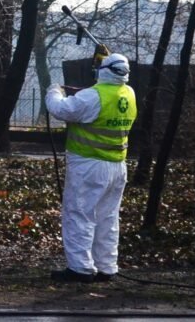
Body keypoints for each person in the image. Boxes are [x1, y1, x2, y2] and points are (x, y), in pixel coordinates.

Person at [45, 52, 137, 283]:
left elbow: (61, 109)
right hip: (117, 166)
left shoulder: (93, 96)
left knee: (79, 213)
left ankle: (80, 268)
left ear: (102, 71)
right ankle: (107, 266)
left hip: (89, 165)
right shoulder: (128, 93)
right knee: (108, 218)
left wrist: (53, 91)